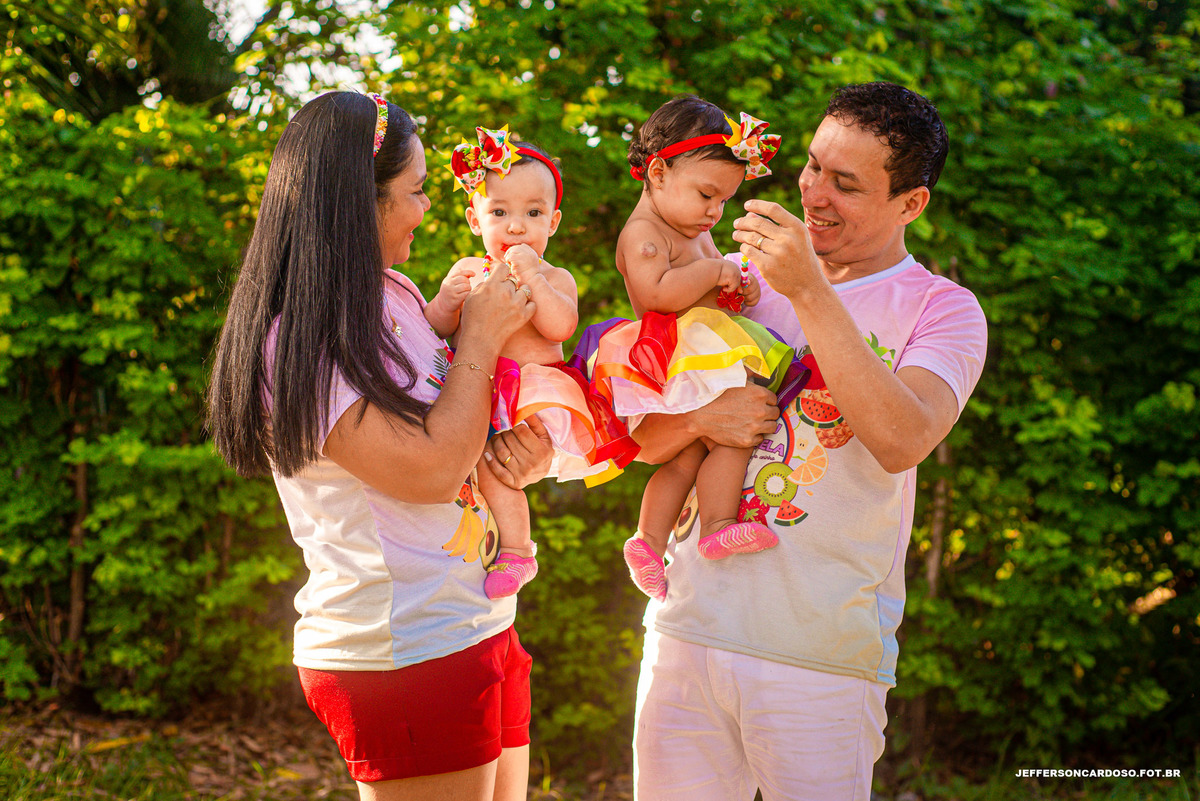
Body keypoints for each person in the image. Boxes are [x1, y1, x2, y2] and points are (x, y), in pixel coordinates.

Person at [629, 82, 989, 800]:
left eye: (845, 183)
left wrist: (808, 291)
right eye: (814, 167)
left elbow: (903, 436)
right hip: (684, 631)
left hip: (821, 659)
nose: (814, 193)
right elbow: (641, 436)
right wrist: (705, 420)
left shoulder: (943, 309)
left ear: (910, 204)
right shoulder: (734, 279)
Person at [206, 91, 552, 801]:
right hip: (405, 646)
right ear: (358, 203)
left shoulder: (393, 294)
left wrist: (528, 454)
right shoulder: (300, 341)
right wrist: (482, 337)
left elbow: (459, 429)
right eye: (417, 190)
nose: (429, 209)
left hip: (472, 621)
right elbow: (427, 470)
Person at [584, 96, 802, 602]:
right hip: (670, 354)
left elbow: (707, 296)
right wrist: (712, 270)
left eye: (724, 200)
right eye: (706, 193)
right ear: (658, 173)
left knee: (687, 458)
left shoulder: (689, 229)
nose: (714, 210)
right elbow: (654, 295)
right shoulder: (644, 233)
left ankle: (650, 541)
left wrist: (734, 291)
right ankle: (717, 524)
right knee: (729, 436)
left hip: (700, 349)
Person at [429, 126, 636, 599]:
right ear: (474, 220)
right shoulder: (467, 271)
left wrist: (532, 277)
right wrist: (446, 299)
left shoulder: (555, 275)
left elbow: (560, 327)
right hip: (474, 393)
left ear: (554, 222)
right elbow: (436, 328)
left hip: (530, 394)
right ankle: (509, 550)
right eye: (499, 212)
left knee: (504, 467)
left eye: (532, 213)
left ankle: (519, 550)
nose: (516, 226)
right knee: (483, 468)